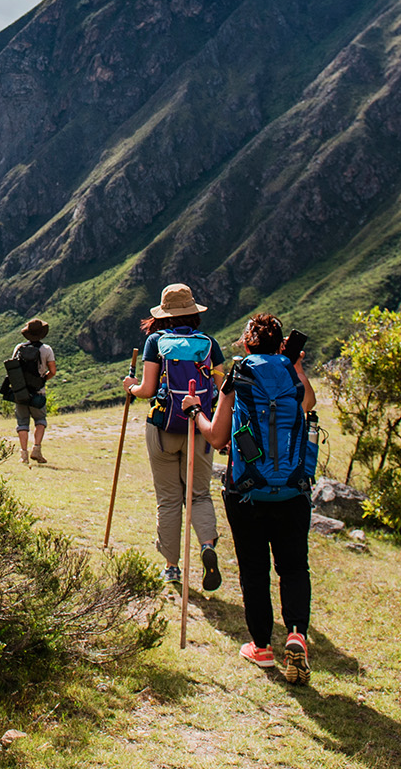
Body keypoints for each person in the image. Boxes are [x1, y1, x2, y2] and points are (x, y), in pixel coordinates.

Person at [182, 312, 317, 683]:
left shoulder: (238, 378)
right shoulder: (292, 375)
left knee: (254, 570)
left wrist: (195, 411)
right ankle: (296, 635)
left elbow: (216, 437)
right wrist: (295, 364)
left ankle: (261, 647)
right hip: (293, 490)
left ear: (247, 342)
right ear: (281, 346)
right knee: (293, 567)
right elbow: (307, 405)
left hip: (246, 492)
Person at [121, 283, 224, 590]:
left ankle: (171, 567)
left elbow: (148, 390)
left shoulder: (156, 342)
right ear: (193, 313)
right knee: (199, 494)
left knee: (169, 500)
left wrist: (131, 386)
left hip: (164, 428)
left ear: (164, 315)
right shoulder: (209, 344)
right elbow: (219, 391)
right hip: (201, 427)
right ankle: (207, 545)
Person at [9, 318, 58, 463]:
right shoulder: (47, 350)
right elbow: (53, 371)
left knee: (22, 423)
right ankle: (36, 449)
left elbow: (12, 369)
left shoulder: (19, 348)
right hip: (38, 391)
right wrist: (42, 380)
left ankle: (23, 455)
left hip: (21, 392)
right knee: (40, 420)